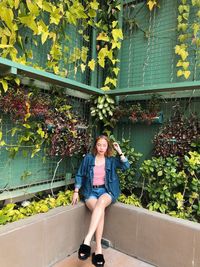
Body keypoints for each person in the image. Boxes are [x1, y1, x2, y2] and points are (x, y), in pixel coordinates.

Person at [72, 135, 130, 267]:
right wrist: (76, 191)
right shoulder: (88, 158)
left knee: (101, 204)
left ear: (107, 147)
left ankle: (87, 240)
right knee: (100, 212)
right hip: (90, 192)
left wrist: (120, 151)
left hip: (107, 191)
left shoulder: (111, 160)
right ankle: (98, 249)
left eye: (104, 145)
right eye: (99, 145)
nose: (101, 148)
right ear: (95, 146)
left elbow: (126, 166)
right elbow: (80, 174)